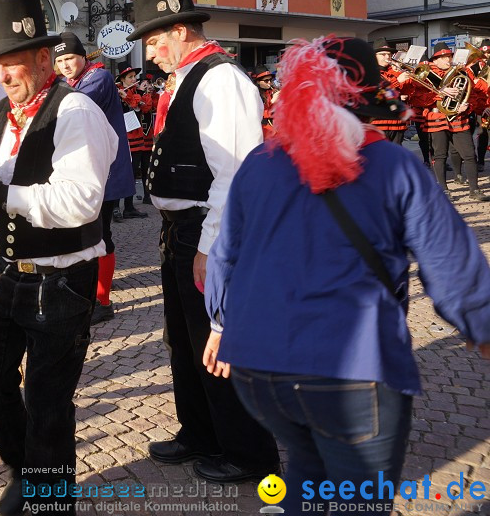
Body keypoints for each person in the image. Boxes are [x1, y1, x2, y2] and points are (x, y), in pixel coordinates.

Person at [203, 36, 490, 514]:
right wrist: (481, 326)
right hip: (351, 370)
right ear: (367, 95)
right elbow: (450, 261)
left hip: (258, 369)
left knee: (305, 469)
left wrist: (220, 324)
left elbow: (226, 254)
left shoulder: (259, 162)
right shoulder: (395, 165)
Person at [0, 0, 117, 515]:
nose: (3, 74)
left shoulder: (76, 110)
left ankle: (48, 496)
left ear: (44, 58)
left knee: (46, 398)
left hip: (62, 278)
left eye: (12, 63)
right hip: (5, 274)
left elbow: (81, 201)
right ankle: (24, 467)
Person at [131, 0, 279, 483]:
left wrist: (212, 247)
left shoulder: (220, 79)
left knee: (219, 343)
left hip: (205, 229)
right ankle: (200, 432)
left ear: (178, 29)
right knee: (184, 339)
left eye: (153, 40)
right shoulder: (187, 78)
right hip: (180, 229)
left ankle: (249, 452)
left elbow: (236, 174)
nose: (150, 54)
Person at [53, 34, 135, 324]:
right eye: (59, 60)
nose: (65, 65)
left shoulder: (97, 78)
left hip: (105, 169)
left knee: (101, 234)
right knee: (83, 232)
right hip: (82, 170)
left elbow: (69, 106)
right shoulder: (69, 82)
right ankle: (86, 287)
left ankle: (102, 301)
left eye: (69, 58)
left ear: (83, 57)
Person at [398, 41, 490, 201]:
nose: (448, 60)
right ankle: (443, 189)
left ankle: (474, 190)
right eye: (444, 57)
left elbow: (472, 94)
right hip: (436, 117)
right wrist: (440, 93)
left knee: (469, 154)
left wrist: (466, 106)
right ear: (435, 60)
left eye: (449, 56)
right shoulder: (425, 74)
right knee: (440, 155)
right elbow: (417, 99)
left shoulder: (460, 73)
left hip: (459, 118)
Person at [115, 65, 152, 217]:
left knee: (132, 172)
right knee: (123, 172)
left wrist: (139, 94)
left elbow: (145, 108)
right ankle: (116, 207)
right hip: (124, 138)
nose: (134, 80)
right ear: (122, 79)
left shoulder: (136, 92)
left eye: (134, 77)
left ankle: (129, 207)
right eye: (130, 77)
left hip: (137, 138)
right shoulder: (116, 92)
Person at [370, 39, 409, 145]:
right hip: (379, 122)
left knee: (396, 157)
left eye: (389, 54)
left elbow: (408, 92)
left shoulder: (394, 71)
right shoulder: (369, 72)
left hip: (397, 122)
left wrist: (409, 80)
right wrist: (397, 81)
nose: (387, 57)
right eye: (383, 54)